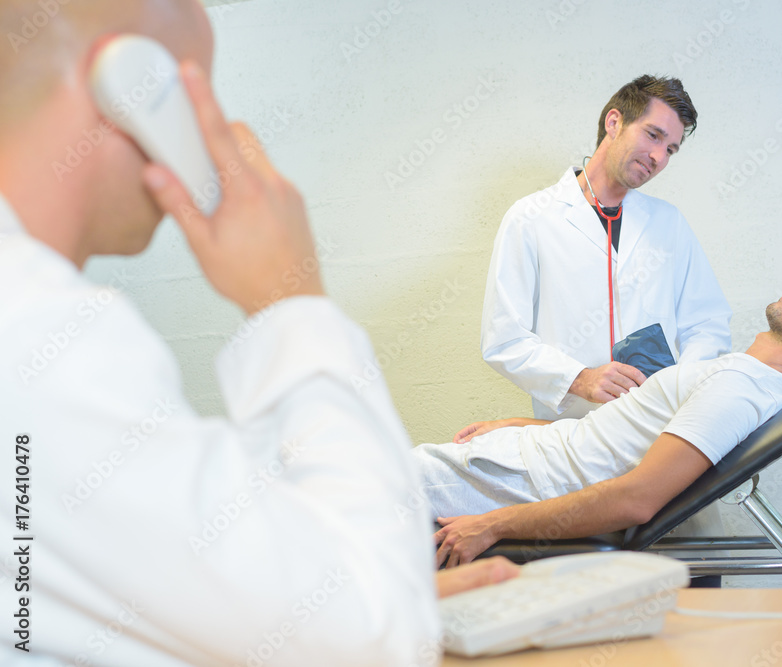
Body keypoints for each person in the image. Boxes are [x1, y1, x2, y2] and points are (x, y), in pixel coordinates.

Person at [0, 2, 514, 665]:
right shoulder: (49, 339)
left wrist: (333, 599)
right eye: (197, 95)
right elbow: (376, 647)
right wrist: (291, 303)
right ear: (128, 80)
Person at [417, 263, 782, 567]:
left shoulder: (739, 390)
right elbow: (617, 443)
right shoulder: (740, 376)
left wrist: (491, 526)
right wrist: (524, 426)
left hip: (501, 485)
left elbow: (636, 499)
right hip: (509, 464)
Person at [480, 74, 732, 423]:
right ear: (614, 122)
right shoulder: (531, 218)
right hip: (573, 432)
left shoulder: (669, 223)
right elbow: (504, 339)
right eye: (653, 135)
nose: (659, 156)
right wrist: (580, 379)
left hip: (660, 426)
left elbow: (707, 323)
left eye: (671, 150)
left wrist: (677, 390)